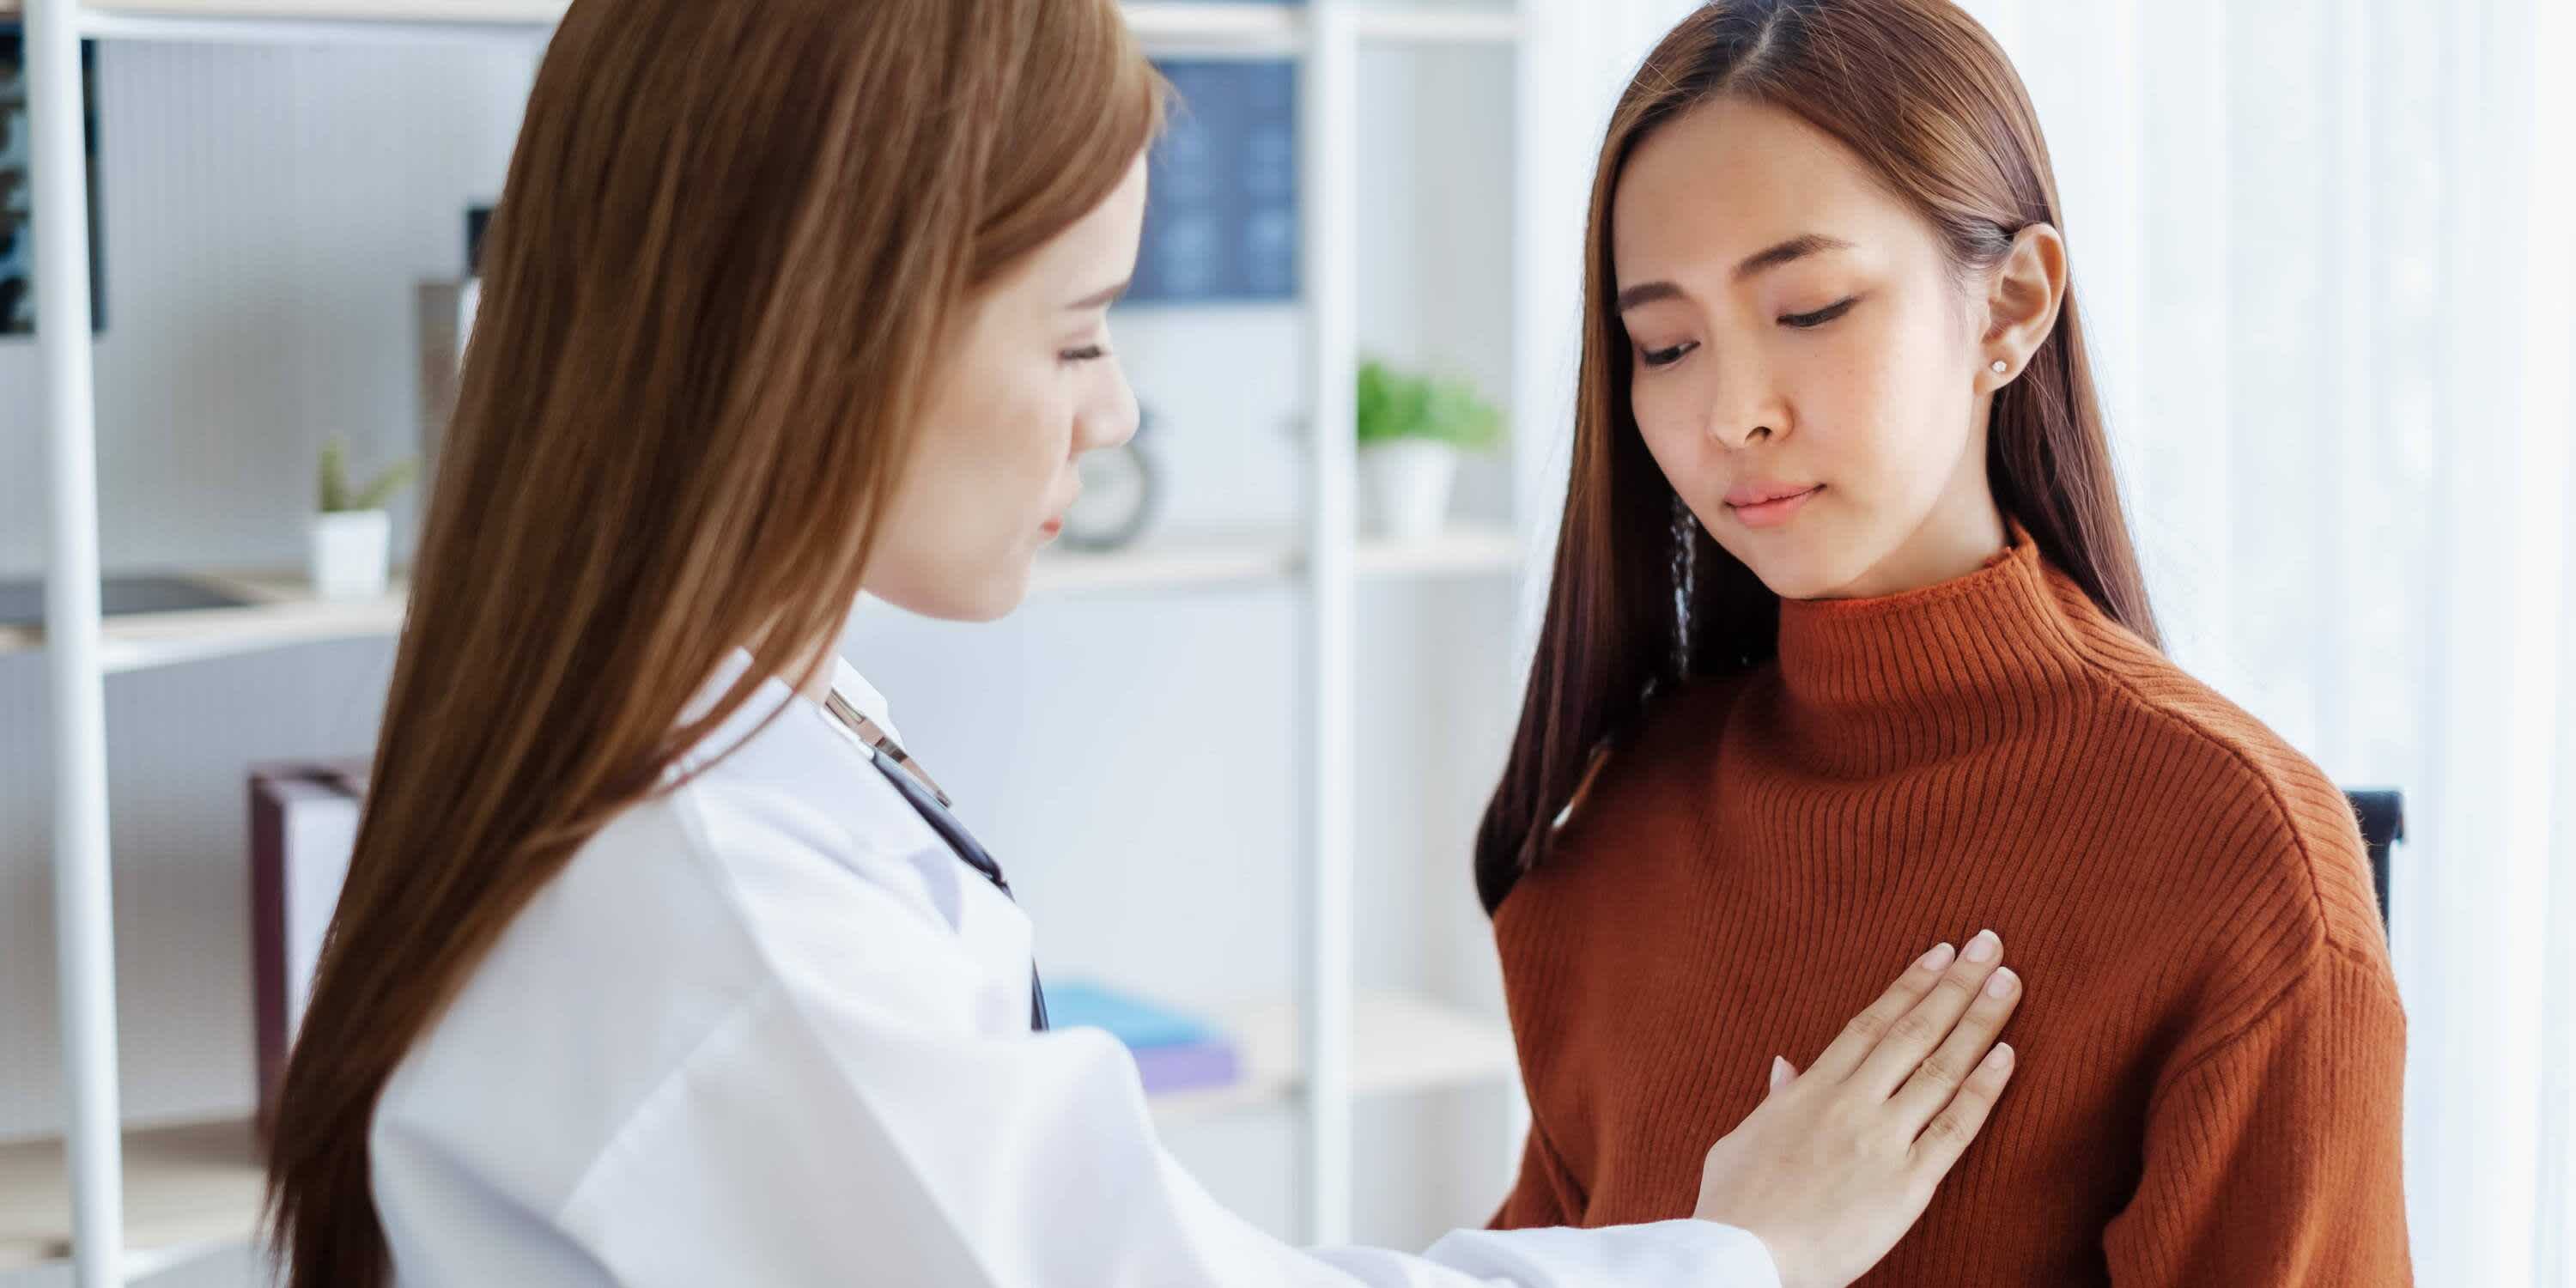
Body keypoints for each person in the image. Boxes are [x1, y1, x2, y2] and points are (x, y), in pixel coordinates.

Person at [257, 1, 2029, 1285]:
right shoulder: (715, 922)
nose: (1109, 418)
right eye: (1079, 331)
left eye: (1807, 309)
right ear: (831, 334)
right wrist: (1739, 1256)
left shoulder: (725, 766)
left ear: (2012, 308)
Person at [1474, 2, 2409, 1285]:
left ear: (2010, 307)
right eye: (1667, 343)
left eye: (1810, 308)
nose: (1730, 412)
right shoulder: (1624, 822)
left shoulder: (2240, 859)